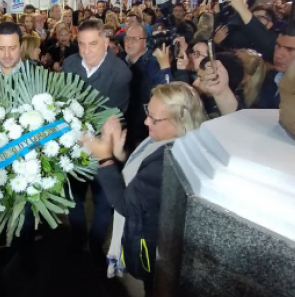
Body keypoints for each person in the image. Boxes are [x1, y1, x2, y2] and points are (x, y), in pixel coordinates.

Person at [85, 83, 207, 294]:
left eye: (154, 119)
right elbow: (139, 175)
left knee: (155, 287)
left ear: (180, 121)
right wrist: (120, 155)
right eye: (147, 112)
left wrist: (104, 158)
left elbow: (126, 205)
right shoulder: (171, 140)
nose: (146, 121)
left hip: (150, 245)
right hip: (157, 237)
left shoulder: (170, 159)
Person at [62, 19, 131, 265]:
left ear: (106, 42)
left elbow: (108, 114)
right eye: (81, 44)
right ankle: (78, 237)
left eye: (93, 44)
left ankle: (95, 242)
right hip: (73, 147)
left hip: (104, 149)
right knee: (74, 198)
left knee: (103, 201)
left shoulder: (120, 72)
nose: (86, 50)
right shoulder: (69, 64)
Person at [121, 24, 171, 148]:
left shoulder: (153, 63)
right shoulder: (120, 61)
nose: (129, 42)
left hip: (144, 129)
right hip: (125, 125)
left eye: (135, 39)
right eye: (127, 38)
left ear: (146, 42)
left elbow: (167, 92)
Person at [214, 0, 279, 62]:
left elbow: (270, 49)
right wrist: (216, 43)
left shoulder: (271, 29)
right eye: (273, 3)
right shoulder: (234, 23)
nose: (276, 6)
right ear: (260, 2)